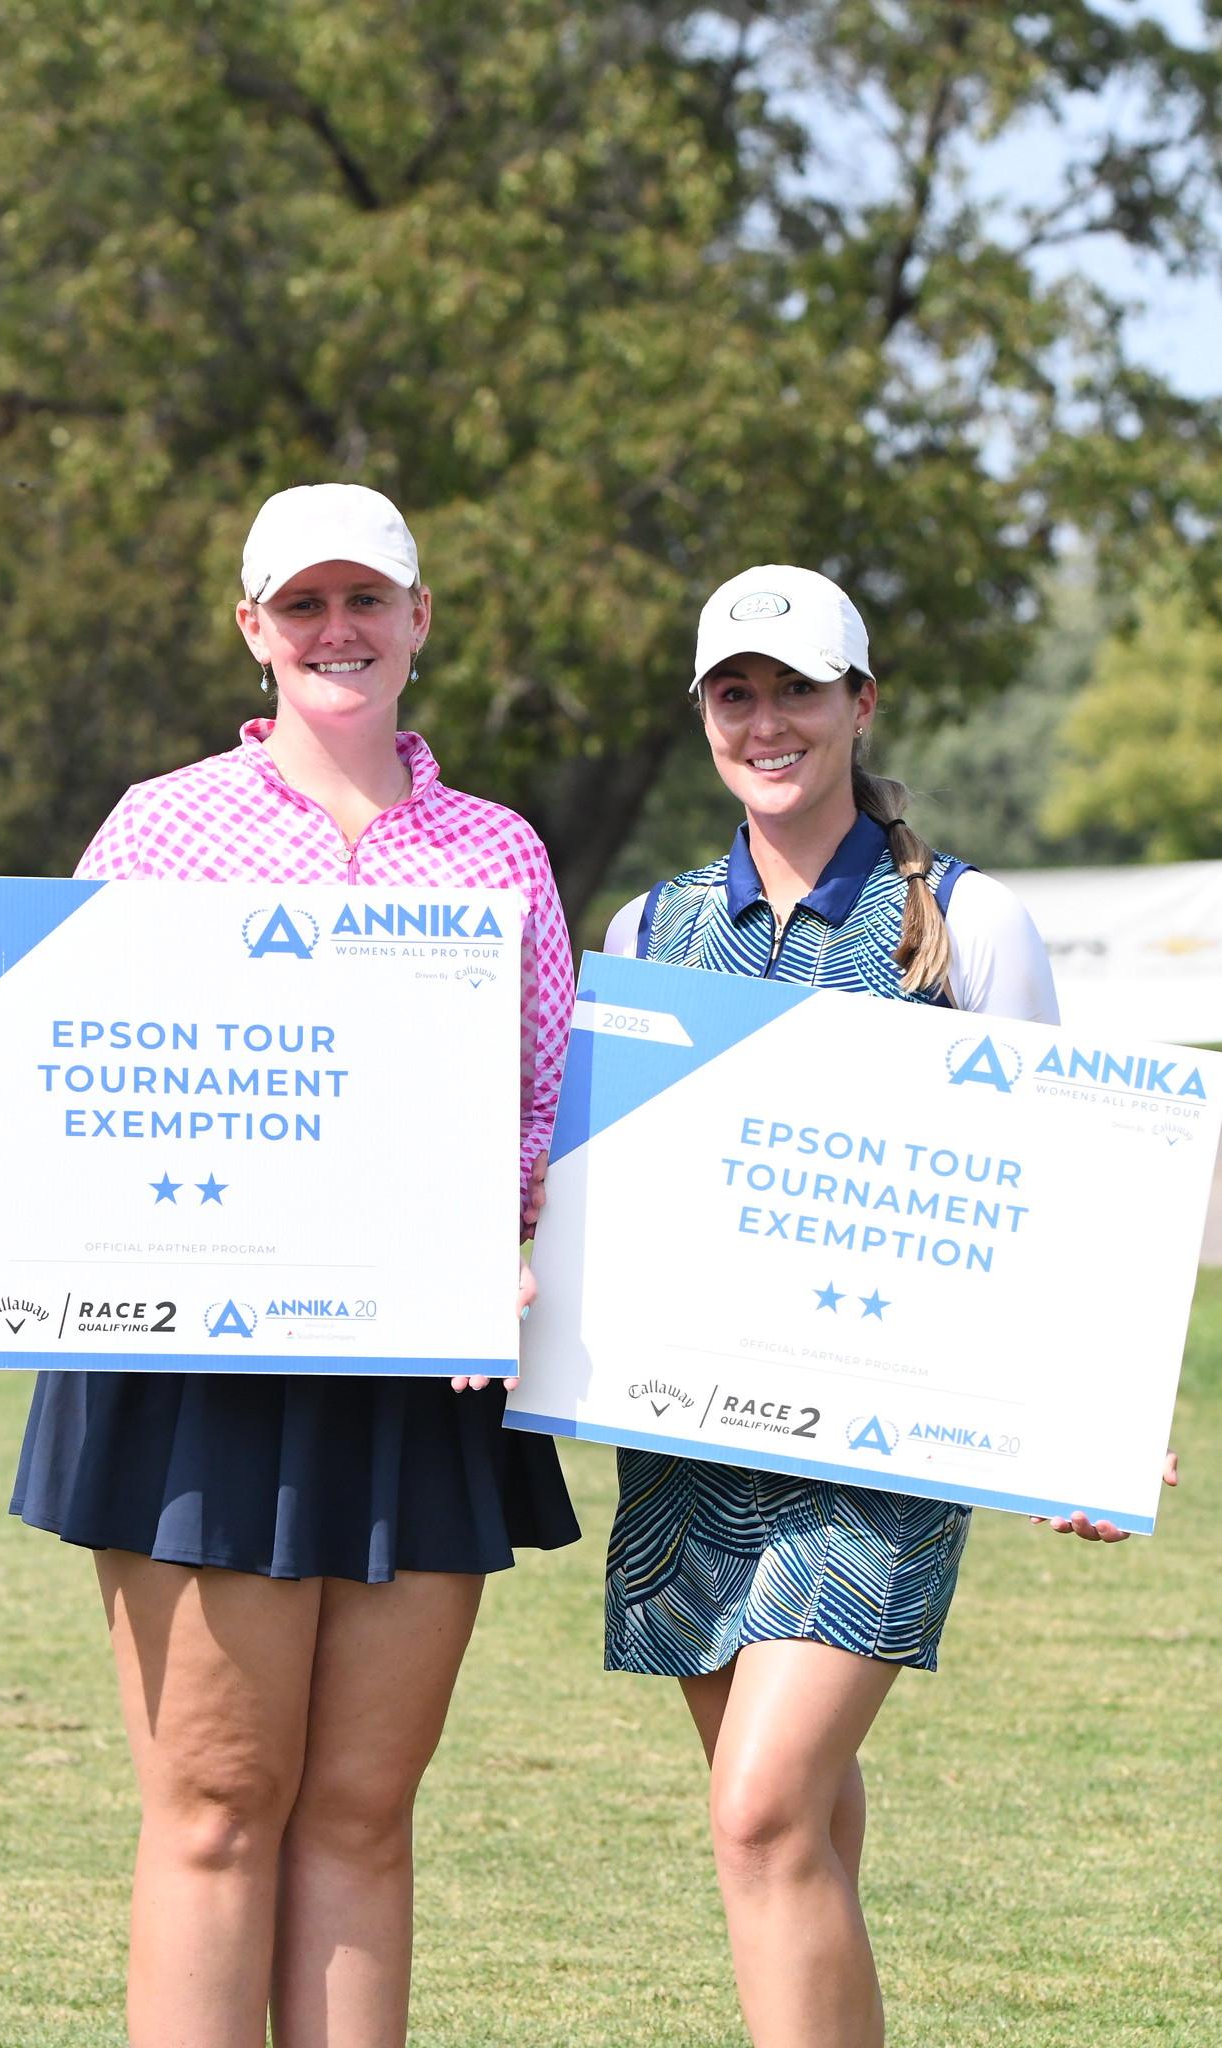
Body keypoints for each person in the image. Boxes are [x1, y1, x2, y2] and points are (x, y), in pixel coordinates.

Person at [0, 482, 580, 2048]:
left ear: (417, 624)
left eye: (365, 602)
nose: (337, 632)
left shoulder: (497, 852)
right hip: (196, 1372)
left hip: (416, 1373)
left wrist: (496, 1244)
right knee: (211, 1808)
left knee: (361, 1818)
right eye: (302, 605)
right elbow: (39, 1067)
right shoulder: (158, 826)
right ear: (252, 630)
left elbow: (541, 1112)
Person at [573, 563, 1176, 2048]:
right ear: (703, 712)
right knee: (802, 1838)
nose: (765, 720)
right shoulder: (646, 933)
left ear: (861, 702)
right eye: (736, 692)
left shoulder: (971, 923)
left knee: (760, 1814)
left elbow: (1063, 1193)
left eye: (796, 689)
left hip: (882, 1451)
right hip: (693, 1439)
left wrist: (1088, 1427)